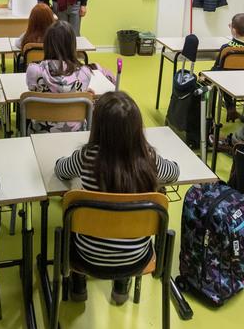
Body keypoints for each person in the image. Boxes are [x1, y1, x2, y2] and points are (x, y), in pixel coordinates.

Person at [54, 91, 179, 305]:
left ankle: (78, 284)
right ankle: (121, 287)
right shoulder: (148, 159)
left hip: (87, 257)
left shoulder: (87, 156)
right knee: (125, 226)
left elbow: (61, 171)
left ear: (98, 127)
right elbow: (174, 173)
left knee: (75, 214)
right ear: (137, 128)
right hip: (136, 259)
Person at [25, 21, 94, 133]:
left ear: (47, 44)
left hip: (39, 134)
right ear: (72, 45)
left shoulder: (34, 71)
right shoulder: (85, 73)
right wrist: (83, 93)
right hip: (76, 135)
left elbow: (33, 89)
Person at [211, 13, 244, 122]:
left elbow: (216, 68)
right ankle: (232, 109)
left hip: (227, 82)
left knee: (218, 74)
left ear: (233, 30)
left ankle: (230, 107)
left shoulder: (227, 48)